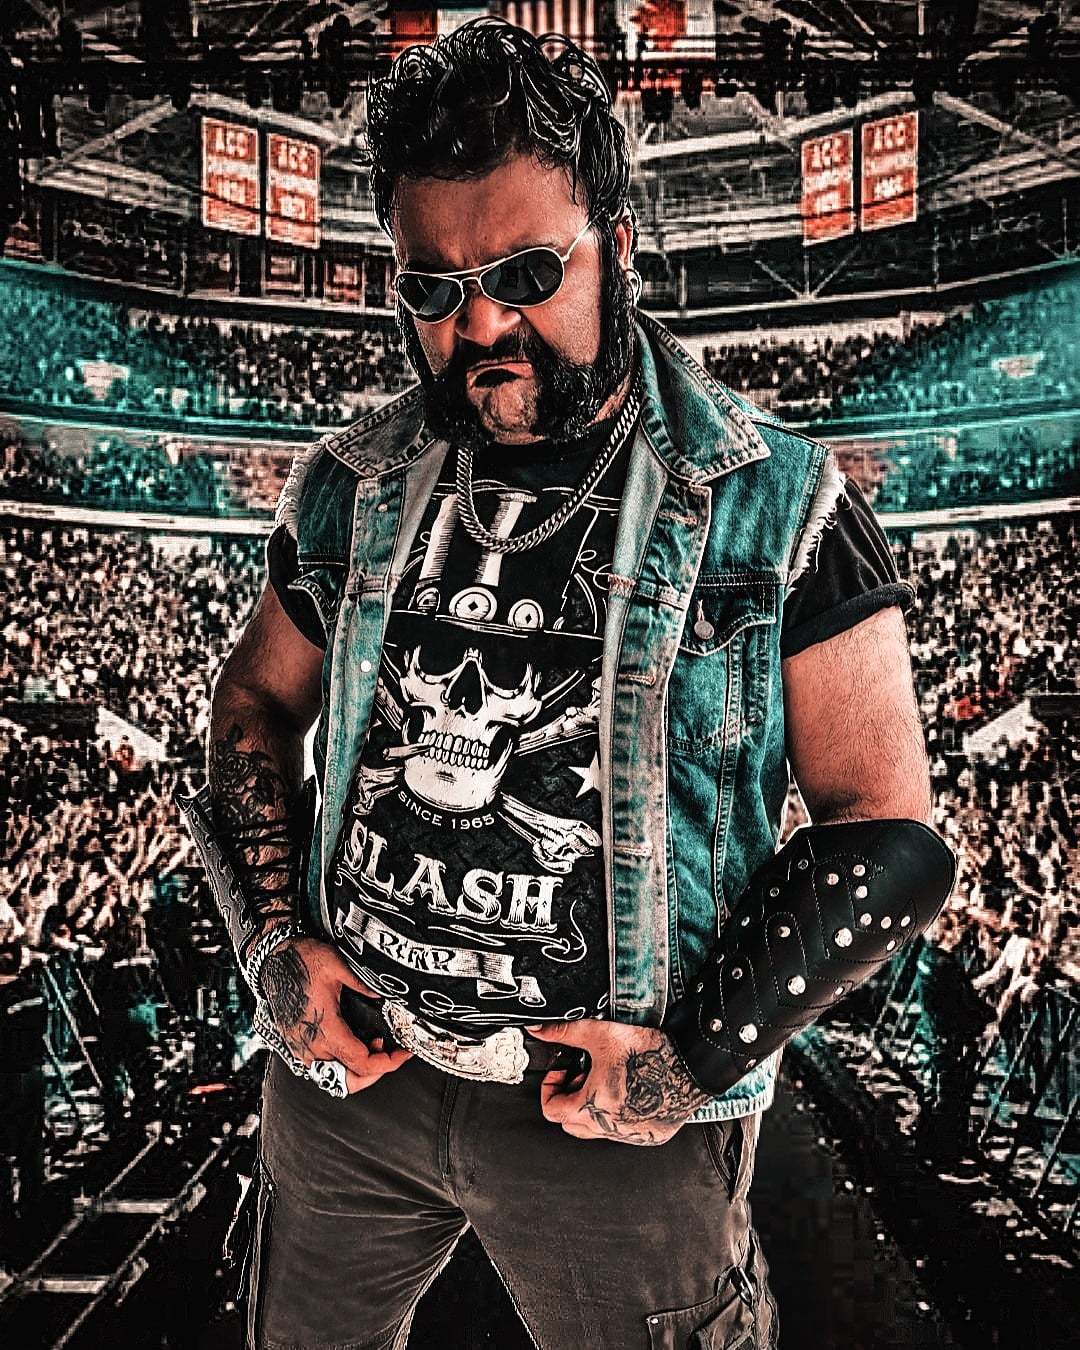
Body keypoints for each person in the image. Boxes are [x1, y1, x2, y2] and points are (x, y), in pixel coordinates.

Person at [175, 19, 956, 1349]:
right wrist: (269, 948)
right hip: (353, 1087)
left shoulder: (777, 504)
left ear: (621, 250)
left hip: (610, 1121)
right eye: (433, 288)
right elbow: (253, 706)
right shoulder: (348, 485)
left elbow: (888, 837)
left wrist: (688, 1065)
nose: (482, 324)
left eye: (528, 272)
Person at [0, 937, 48, 1274]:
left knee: (3, 1155)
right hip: (33, 1073)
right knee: (32, 1149)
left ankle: (8, 1226)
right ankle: (35, 1216)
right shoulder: (35, 993)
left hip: (7, 1079)